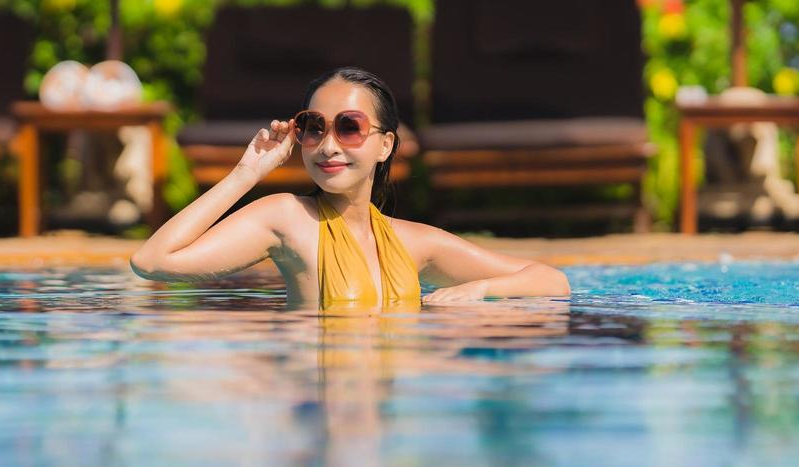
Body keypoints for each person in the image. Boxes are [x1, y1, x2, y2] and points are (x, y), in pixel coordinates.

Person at [131, 66, 571, 311]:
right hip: (313, 407)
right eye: (313, 127)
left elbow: (551, 281)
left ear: (385, 145)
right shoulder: (287, 219)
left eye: (349, 128)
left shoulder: (413, 242)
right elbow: (151, 261)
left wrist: (482, 289)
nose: (327, 146)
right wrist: (247, 173)